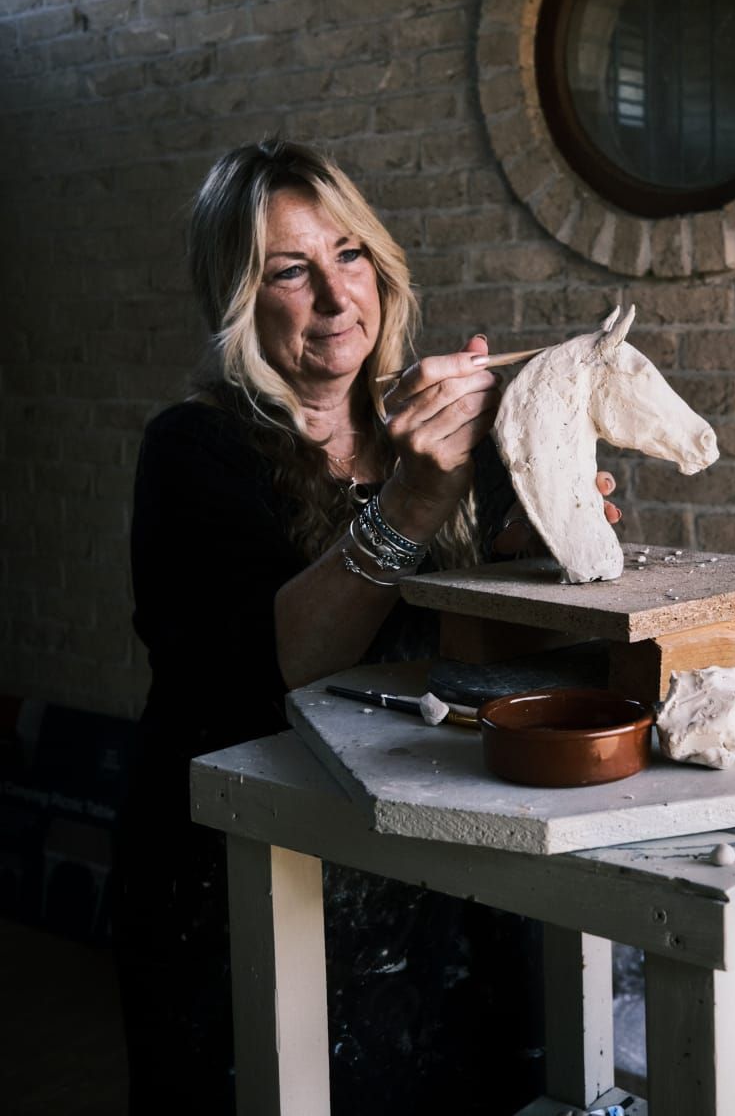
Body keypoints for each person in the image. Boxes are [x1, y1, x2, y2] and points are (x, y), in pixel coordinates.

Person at [112, 138, 619, 1116]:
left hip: (421, 871)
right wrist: (415, 503)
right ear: (236, 294)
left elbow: (481, 663)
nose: (338, 297)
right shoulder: (194, 449)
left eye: (350, 256)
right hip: (248, 887)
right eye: (291, 270)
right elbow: (272, 668)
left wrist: (538, 536)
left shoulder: (420, 437)